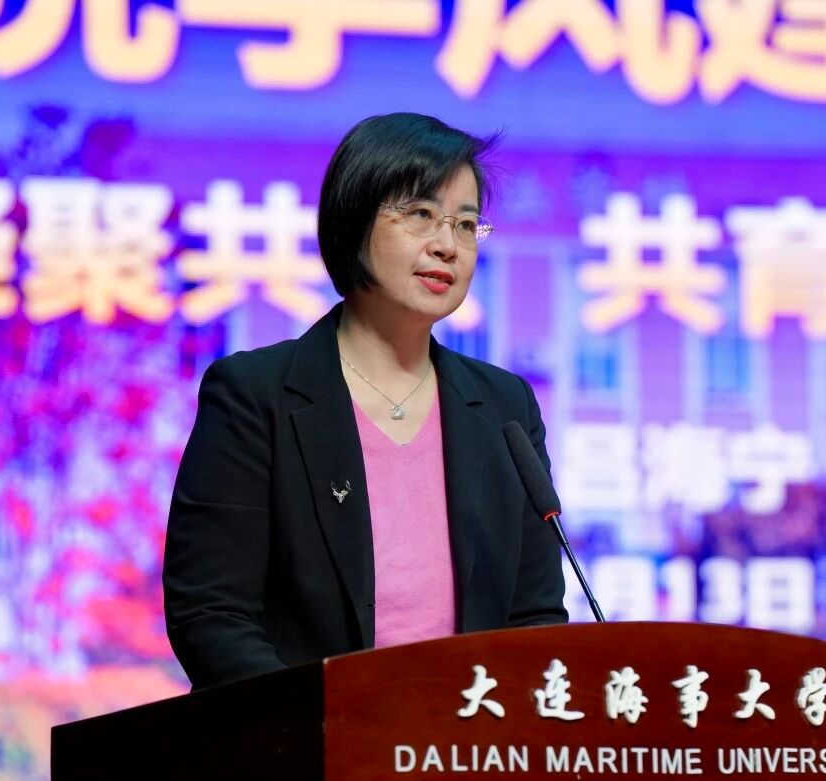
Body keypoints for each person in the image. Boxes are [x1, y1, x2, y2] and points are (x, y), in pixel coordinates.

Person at [163, 113, 567, 690]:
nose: (446, 245)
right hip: (307, 737)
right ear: (353, 219)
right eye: (421, 214)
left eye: (465, 224)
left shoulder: (505, 407)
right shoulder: (256, 396)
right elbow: (211, 616)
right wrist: (328, 722)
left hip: (470, 738)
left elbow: (535, 618)